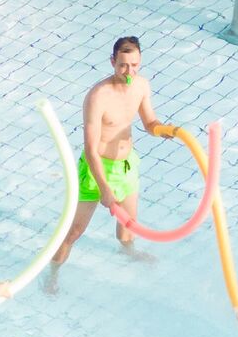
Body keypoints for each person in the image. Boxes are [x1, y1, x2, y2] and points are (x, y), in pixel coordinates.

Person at [50, 35, 178, 288]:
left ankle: (127, 252)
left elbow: (149, 123)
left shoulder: (141, 86)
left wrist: (166, 130)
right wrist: (104, 188)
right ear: (112, 62)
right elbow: (90, 149)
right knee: (74, 231)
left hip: (126, 166)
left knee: (129, 226)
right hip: (97, 168)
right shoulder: (98, 96)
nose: (128, 72)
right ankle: (52, 275)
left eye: (134, 66)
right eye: (122, 65)